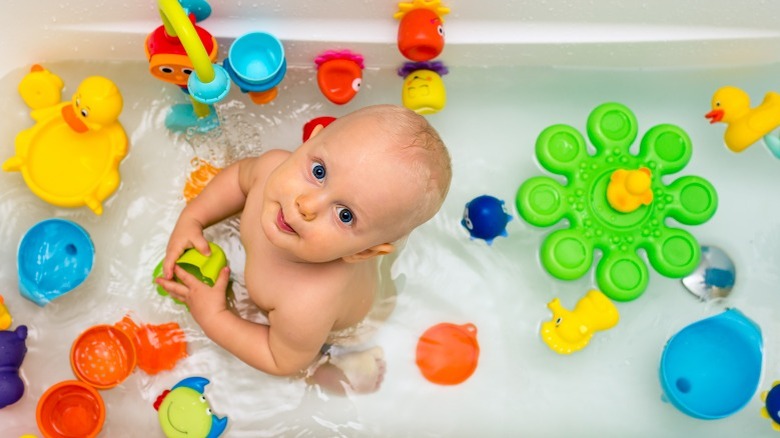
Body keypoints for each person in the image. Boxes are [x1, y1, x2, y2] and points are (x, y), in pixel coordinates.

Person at [155, 104, 452, 394]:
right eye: (320, 172)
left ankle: (348, 364)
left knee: (310, 367)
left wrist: (215, 315)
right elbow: (239, 179)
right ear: (310, 141)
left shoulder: (308, 303)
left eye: (344, 215)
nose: (307, 204)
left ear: (362, 253)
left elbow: (280, 359)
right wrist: (194, 218)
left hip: (339, 330)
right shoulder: (272, 168)